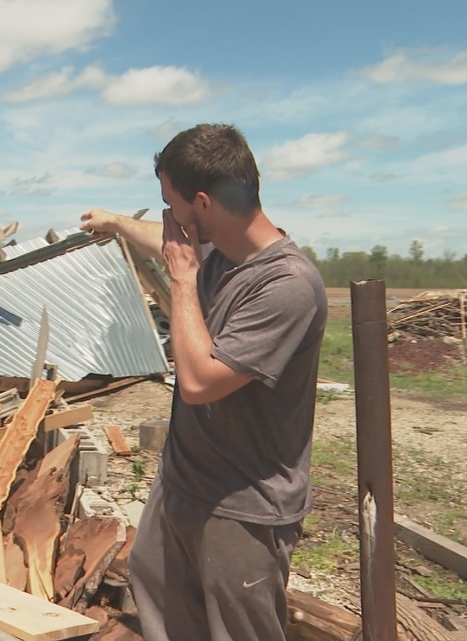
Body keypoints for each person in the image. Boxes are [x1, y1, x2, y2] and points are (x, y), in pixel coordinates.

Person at [79, 123, 327, 641]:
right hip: (183, 485)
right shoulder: (218, 248)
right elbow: (164, 239)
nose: (167, 218)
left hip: (243, 506)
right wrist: (116, 223)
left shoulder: (286, 285)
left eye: (170, 204)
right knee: (167, 615)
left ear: (203, 203)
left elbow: (197, 382)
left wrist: (183, 279)